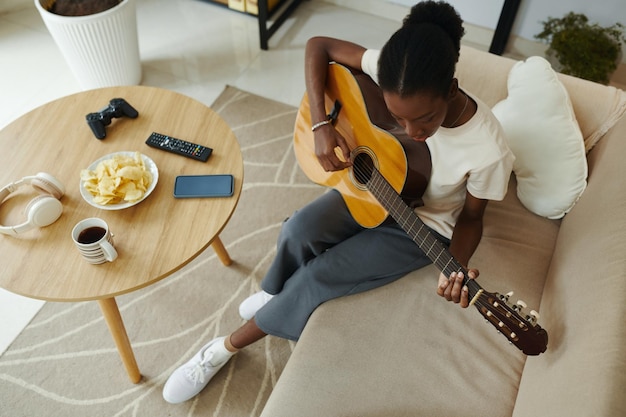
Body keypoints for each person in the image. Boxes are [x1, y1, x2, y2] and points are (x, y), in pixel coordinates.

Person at [162, 0, 514, 404]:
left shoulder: (489, 148)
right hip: (381, 184)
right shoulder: (392, 68)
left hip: (423, 225)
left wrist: (455, 268)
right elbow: (318, 45)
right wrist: (321, 123)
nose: (413, 131)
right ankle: (276, 293)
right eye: (399, 119)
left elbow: (471, 218)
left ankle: (222, 349)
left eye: (426, 119)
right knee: (296, 229)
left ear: (451, 90)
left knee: (317, 278)